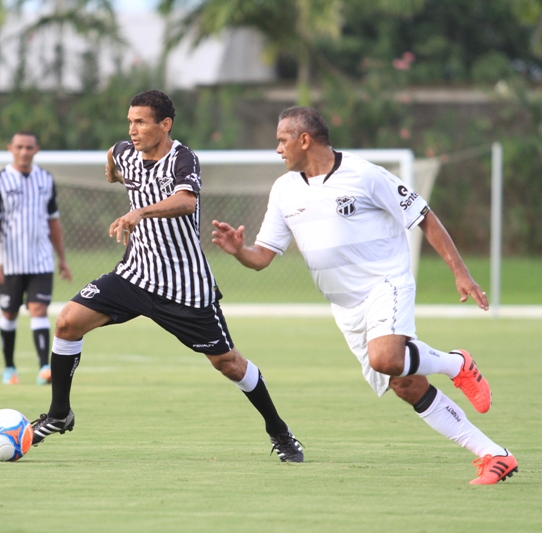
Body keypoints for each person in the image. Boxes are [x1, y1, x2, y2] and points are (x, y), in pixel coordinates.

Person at [211, 106, 518, 484]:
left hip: (385, 283)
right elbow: (261, 259)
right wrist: (238, 250)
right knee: (406, 384)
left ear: (304, 140)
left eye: (281, 140)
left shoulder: (365, 175)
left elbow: (423, 215)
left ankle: (456, 364)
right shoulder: (284, 190)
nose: (277, 149)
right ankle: (494, 455)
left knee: (386, 358)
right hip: (345, 307)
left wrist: (461, 273)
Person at [29, 89, 304, 462]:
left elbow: (187, 201)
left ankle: (280, 432)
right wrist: (112, 173)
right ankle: (60, 413)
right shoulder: (126, 151)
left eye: (141, 122)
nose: (133, 129)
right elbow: (113, 155)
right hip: (134, 275)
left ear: (165, 124)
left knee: (229, 364)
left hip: (184, 289)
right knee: (66, 323)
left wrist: (139, 213)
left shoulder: (182, 158)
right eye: (130, 121)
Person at [0, 131, 72, 386]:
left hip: (40, 259)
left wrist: (62, 258)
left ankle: (45, 367)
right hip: (9, 261)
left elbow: (53, 221)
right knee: (9, 314)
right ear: (10, 148)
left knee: (39, 309)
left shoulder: (45, 179)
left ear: (37, 149)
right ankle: (9, 368)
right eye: (19, 147)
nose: (24, 151)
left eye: (29, 147)